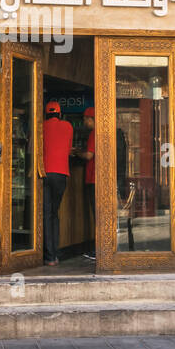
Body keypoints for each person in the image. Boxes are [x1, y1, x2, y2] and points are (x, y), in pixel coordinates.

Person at [38, 100, 73, 266]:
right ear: (59, 114)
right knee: (54, 213)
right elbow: (68, 149)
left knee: (46, 214)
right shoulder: (68, 126)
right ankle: (56, 253)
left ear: (46, 114)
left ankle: (49, 256)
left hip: (44, 173)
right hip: (61, 174)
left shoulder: (40, 126)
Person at [79, 107, 97, 261]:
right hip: (101, 180)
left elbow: (89, 155)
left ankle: (98, 251)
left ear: (92, 119)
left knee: (97, 215)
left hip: (93, 180)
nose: (84, 121)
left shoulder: (93, 134)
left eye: (86, 119)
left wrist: (76, 152)